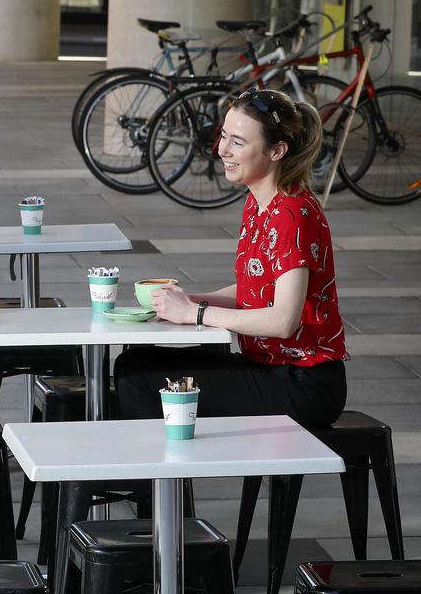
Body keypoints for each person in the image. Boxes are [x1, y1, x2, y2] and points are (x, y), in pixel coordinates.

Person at [115, 89, 348, 429]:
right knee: (133, 364)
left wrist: (196, 313)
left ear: (276, 151)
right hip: (271, 367)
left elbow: (283, 320)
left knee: (139, 382)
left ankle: (154, 479)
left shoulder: (291, 216)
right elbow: (256, 290)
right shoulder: (260, 202)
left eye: (237, 142)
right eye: (224, 135)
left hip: (302, 383)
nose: (222, 149)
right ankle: (155, 478)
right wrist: (187, 301)